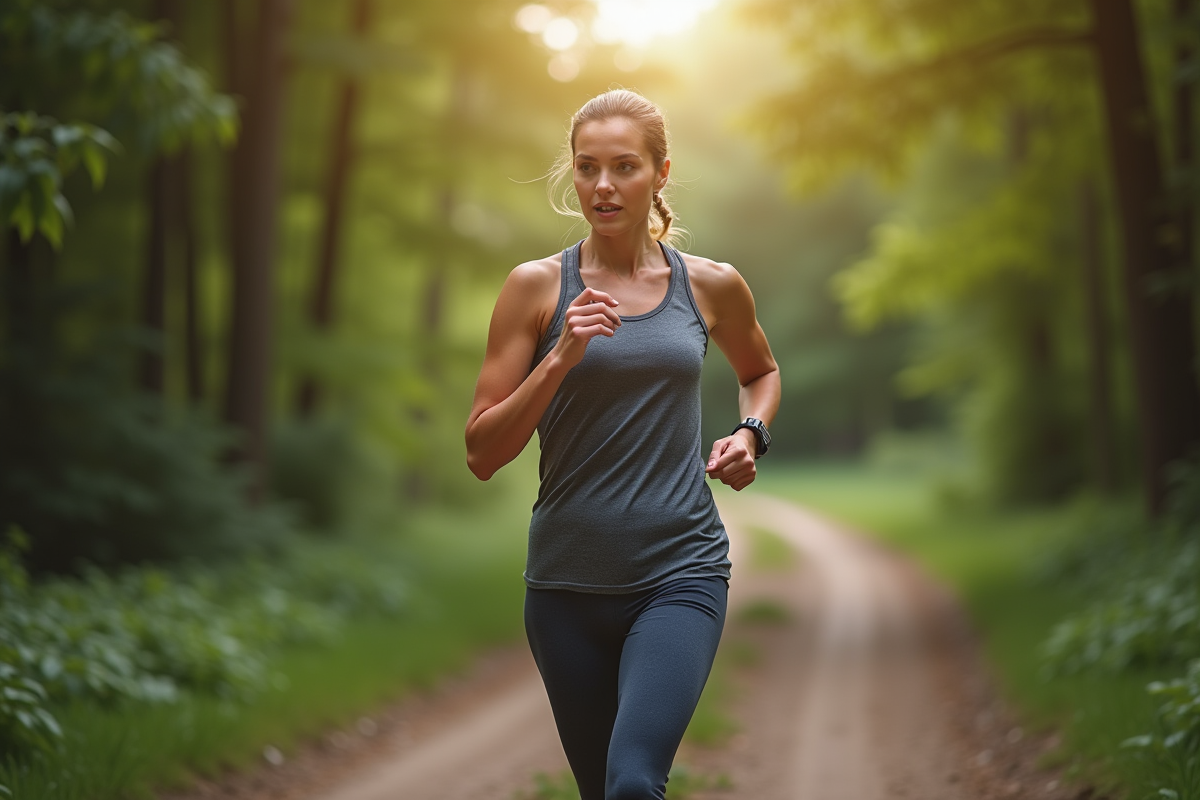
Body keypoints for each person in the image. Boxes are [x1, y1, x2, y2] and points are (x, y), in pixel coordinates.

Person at [465, 89, 780, 800]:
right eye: (586, 168)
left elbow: (760, 371)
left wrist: (749, 433)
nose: (603, 186)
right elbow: (482, 453)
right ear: (571, 175)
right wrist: (558, 358)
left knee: (635, 782)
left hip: (680, 571)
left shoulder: (712, 287)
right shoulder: (536, 289)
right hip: (564, 585)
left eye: (624, 167)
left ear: (660, 173)